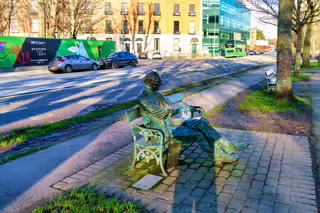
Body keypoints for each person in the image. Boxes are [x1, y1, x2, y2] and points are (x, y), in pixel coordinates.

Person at [139, 71, 248, 164]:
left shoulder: (157, 95)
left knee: (202, 123)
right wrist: (176, 111)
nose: (160, 86)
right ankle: (218, 156)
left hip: (171, 123)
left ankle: (229, 146)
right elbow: (161, 114)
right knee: (199, 134)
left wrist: (181, 109)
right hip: (162, 130)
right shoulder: (144, 98)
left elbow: (168, 111)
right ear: (151, 83)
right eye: (158, 83)